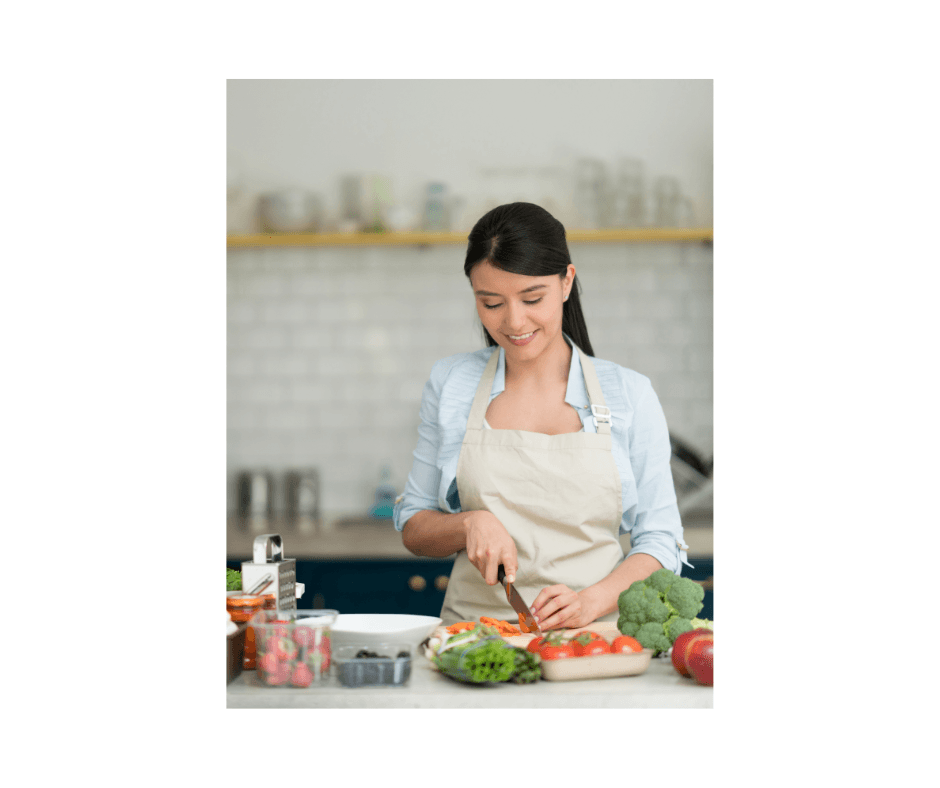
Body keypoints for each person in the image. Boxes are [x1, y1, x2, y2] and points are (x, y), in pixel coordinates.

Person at [393, 202, 691, 630]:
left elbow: (661, 540)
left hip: (592, 640)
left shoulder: (629, 393)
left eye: (533, 299)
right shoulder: (451, 383)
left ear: (566, 282)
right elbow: (415, 526)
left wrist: (591, 602)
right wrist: (468, 523)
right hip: (476, 640)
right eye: (491, 302)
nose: (515, 322)